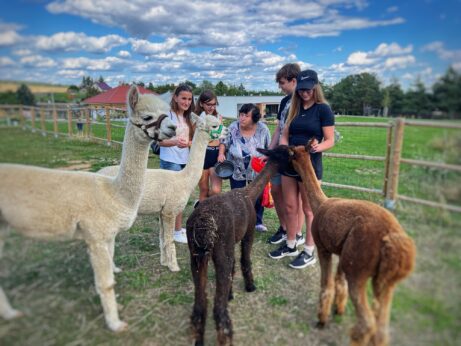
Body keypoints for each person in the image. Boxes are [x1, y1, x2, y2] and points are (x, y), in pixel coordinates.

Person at [268, 69, 335, 269]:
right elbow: (285, 133)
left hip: (309, 165)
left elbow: (330, 139)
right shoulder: (294, 108)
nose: (304, 93)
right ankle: (290, 244)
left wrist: (318, 147)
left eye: (308, 90)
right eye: (302, 90)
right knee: (290, 206)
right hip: (290, 162)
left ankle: (309, 250)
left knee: (308, 209)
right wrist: (284, 146)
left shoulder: (323, 110)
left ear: (315, 88)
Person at [267, 63, 305, 247]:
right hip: (280, 153)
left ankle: (297, 232)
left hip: (294, 154)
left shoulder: (303, 101)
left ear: (294, 80)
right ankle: (284, 228)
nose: (280, 86)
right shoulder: (284, 102)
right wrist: (270, 151)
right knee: (275, 190)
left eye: (282, 82)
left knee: (295, 197)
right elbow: (279, 129)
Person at [218, 103, 271, 232]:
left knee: (257, 194)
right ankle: (239, 221)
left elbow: (269, 147)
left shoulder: (263, 129)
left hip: (257, 168)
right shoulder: (233, 127)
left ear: (254, 118)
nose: (242, 118)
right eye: (241, 115)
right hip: (237, 167)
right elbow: (224, 141)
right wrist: (221, 153)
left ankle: (257, 221)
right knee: (237, 195)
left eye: (246, 116)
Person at [158, 84, 195, 244]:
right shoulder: (167, 116)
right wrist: (174, 142)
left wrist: (189, 143)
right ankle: (175, 231)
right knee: (173, 198)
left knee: (181, 197)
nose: (186, 102)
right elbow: (159, 141)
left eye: (189, 99)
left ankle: (176, 229)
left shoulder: (189, 118)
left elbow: (192, 140)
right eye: (183, 98)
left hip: (184, 161)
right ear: (175, 97)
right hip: (170, 161)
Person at [194, 90, 223, 206]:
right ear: (201, 104)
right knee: (204, 190)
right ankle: (202, 214)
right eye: (208, 104)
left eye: (214, 104)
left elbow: (221, 139)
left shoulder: (218, 117)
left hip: (215, 156)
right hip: (202, 156)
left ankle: (203, 203)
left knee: (216, 190)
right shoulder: (197, 119)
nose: (211, 107)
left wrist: (221, 153)